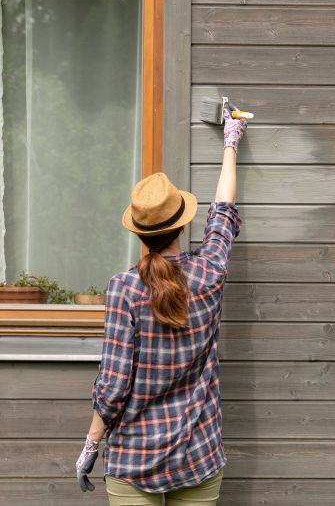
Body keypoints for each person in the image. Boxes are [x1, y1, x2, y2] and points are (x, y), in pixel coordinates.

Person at [74, 108, 247, 505]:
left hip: (134, 458)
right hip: (197, 454)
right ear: (182, 225)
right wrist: (230, 143)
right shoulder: (209, 272)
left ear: (138, 231)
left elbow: (114, 386)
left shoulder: (123, 289)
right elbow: (223, 210)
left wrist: (90, 446)